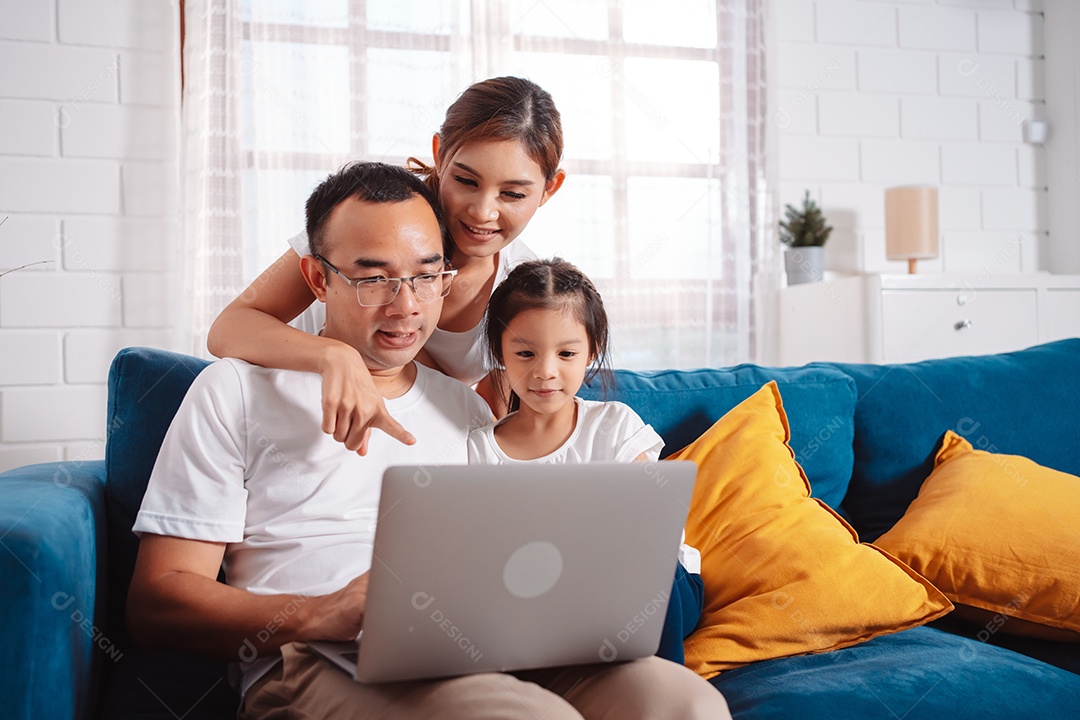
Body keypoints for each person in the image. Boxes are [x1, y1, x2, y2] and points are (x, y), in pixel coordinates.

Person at [128, 162, 730, 719]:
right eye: (374, 279)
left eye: (425, 277)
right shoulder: (234, 390)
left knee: (680, 702)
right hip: (317, 659)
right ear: (316, 277)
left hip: (477, 648)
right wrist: (319, 612)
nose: (405, 306)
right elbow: (157, 602)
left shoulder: (468, 411)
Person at [206, 76, 566, 451]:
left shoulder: (522, 287)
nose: (482, 212)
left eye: (512, 194)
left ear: (548, 189)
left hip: (395, 436)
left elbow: (494, 416)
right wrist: (334, 357)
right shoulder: (372, 215)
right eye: (465, 180)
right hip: (294, 410)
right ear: (439, 154)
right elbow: (228, 328)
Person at [467, 258, 705, 664]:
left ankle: (661, 689)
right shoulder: (479, 448)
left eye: (566, 353)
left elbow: (653, 529)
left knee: (642, 565)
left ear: (591, 351)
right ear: (500, 352)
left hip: (661, 589)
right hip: (549, 598)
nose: (545, 372)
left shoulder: (614, 425)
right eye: (525, 353)